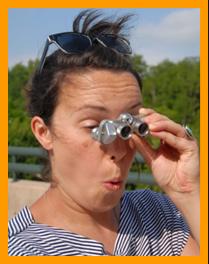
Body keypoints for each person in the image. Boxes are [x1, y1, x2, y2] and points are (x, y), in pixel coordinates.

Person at [8, 9, 200, 256]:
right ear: (44, 132)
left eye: (128, 124)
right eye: (93, 127)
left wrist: (188, 191)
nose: (118, 150)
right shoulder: (23, 250)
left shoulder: (160, 215)